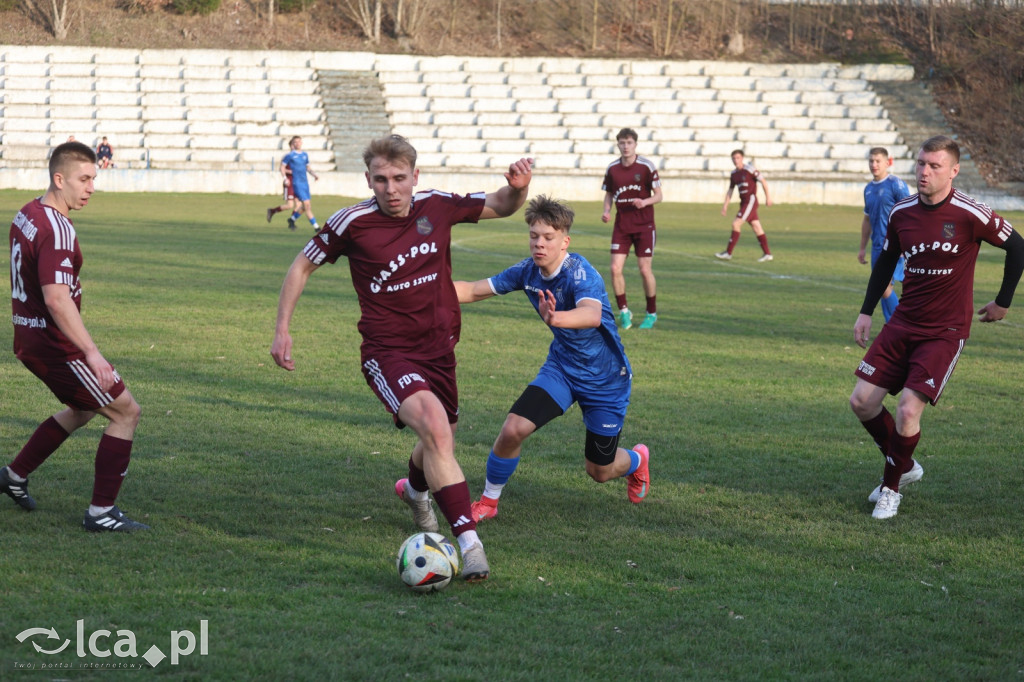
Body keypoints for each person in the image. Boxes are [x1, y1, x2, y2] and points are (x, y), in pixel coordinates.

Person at [271, 134, 533, 581]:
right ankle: (470, 545)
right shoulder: (350, 222)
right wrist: (282, 330)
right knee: (435, 428)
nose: (390, 188)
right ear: (368, 179)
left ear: (416, 176)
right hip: (387, 351)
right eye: (380, 179)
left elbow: (503, 204)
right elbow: (301, 265)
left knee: (441, 437)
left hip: (440, 349)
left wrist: (519, 186)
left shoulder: (437, 204)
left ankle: (414, 491)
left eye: (398, 178)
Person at [850, 135, 1024, 520]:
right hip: (904, 321)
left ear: (954, 171)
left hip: (945, 331)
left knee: (908, 410)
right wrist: (866, 311)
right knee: (861, 402)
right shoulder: (902, 212)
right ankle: (905, 464)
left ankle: (890, 489)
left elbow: (1018, 247)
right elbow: (885, 263)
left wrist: (1003, 302)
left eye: (934, 166)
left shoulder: (970, 213)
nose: (924, 172)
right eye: (921, 164)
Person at [455, 195, 650, 522]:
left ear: (565, 241)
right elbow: (473, 290)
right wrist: (422, 291)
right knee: (513, 428)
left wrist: (556, 318)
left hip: (605, 379)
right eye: (534, 236)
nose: (539, 244)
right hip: (562, 369)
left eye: (548, 237)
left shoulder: (580, 273)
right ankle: (489, 502)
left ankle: (637, 461)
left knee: (599, 471)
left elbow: (591, 314)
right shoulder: (527, 272)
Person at [2, 141, 147, 532]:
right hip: (57, 345)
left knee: (83, 408)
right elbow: (56, 298)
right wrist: (92, 354)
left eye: (94, 179)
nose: (91, 187)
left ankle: (14, 476)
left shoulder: (28, 212)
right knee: (125, 412)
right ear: (59, 178)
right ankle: (101, 512)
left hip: (30, 338)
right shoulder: (57, 227)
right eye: (84, 179)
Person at [601, 127, 661, 330]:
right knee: (615, 269)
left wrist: (645, 202)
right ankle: (624, 312)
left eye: (629, 143)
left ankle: (651, 313)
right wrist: (607, 211)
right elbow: (609, 193)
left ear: (635, 144)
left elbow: (659, 196)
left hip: (645, 226)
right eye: (622, 143)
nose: (625, 146)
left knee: (645, 270)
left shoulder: (646, 166)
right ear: (617, 144)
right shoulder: (612, 169)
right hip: (622, 226)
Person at [859, 147, 910, 322]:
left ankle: (900, 324)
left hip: (895, 246)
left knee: (886, 286)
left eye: (878, 161)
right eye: (871, 161)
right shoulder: (868, 189)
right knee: (882, 288)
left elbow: (909, 215)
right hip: (877, 246)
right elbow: (867, 221)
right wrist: (862, 248)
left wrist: (905, 244)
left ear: (888, 162)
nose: (874, 164)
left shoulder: (896, 185)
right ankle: (892, 325)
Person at [717, 149, 774, 262]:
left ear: (742, 158)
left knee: (736, 223)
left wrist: (768, 197)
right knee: (757, 227)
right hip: (744, 203)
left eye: (738, 158)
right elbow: (730, 190)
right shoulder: (734, 174)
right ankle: (767, 254)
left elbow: (763, 181)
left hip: (751, 201)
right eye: (734, 158)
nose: (735, 160)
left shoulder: (749, 169)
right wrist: (725, 205)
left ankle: (728, 253)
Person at [266, 136, 320, 231]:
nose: (298, 143)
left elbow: (308, 168)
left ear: (301, 142)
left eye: (299, 141)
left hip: (305, 183)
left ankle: (292, 219)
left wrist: (314, 175)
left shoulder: (305, 155)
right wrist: (285, 178)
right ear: (293, 144)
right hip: (296, 183)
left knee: (303, 206)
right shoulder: (289, 156)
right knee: (304, 206)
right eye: (295, 142)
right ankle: (317, 227)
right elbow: (282, 167)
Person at [266, 166, 299, 230]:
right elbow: (282, 168)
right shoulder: (288, 158)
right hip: (289, 184)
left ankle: (291, 222)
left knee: (299, 205)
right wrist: (289, 173)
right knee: (290, 205)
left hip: (296, 184)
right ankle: (272, 211)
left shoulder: (299, 159)